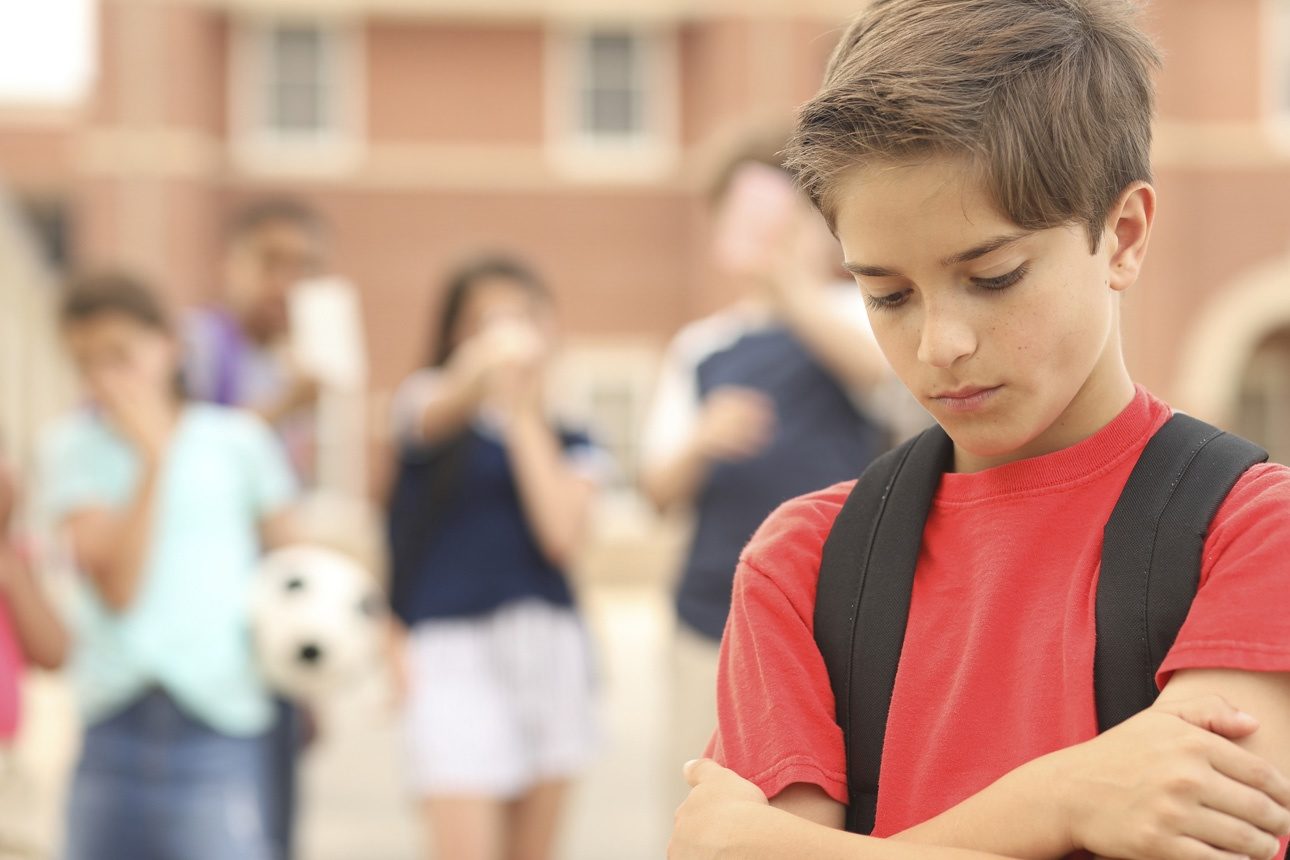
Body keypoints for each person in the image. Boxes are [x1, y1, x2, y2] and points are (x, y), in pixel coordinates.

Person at [669, 1, 1290, 859]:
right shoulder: (804, 564)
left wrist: (776, 845)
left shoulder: (1254, 531)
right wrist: (1071, 801)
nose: (939, 345)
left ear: (1124, 235)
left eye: (992, 276)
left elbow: (1208, 830)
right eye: (886, 294)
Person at [640, 139, 910, 801]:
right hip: (712, 614)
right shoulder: (703, 347)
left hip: (835, 615)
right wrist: (704, 440)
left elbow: (885, 382)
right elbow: (656, 489)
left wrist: (792, 288)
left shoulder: (857, 311)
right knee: (705, 797)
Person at [41, 271, 298, 860]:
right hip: (114, 723)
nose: (106, 379)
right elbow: (118, 587)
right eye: (87, 363)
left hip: (220, 722)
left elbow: (295, 564)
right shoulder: (69, 448)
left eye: (121, 356)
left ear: (169, 346)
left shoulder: (237, 443)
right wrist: (153, 461)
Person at [385, 254, 606, 860]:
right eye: (486, 319)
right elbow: (429, 419)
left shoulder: (573, 434)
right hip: (452, 647)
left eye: (522, 317)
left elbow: (560, 532)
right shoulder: (427, 404)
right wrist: (485, 372)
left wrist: (522, 411)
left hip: (549, 645)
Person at [183, 197, 327, 860]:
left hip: (271, 639)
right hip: (206, 642)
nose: (285, 284)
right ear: (229, 264)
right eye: (270, 263)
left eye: (303, 268)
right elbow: (190, 464)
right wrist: (280, 410)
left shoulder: (293, 367)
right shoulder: (199, 344)